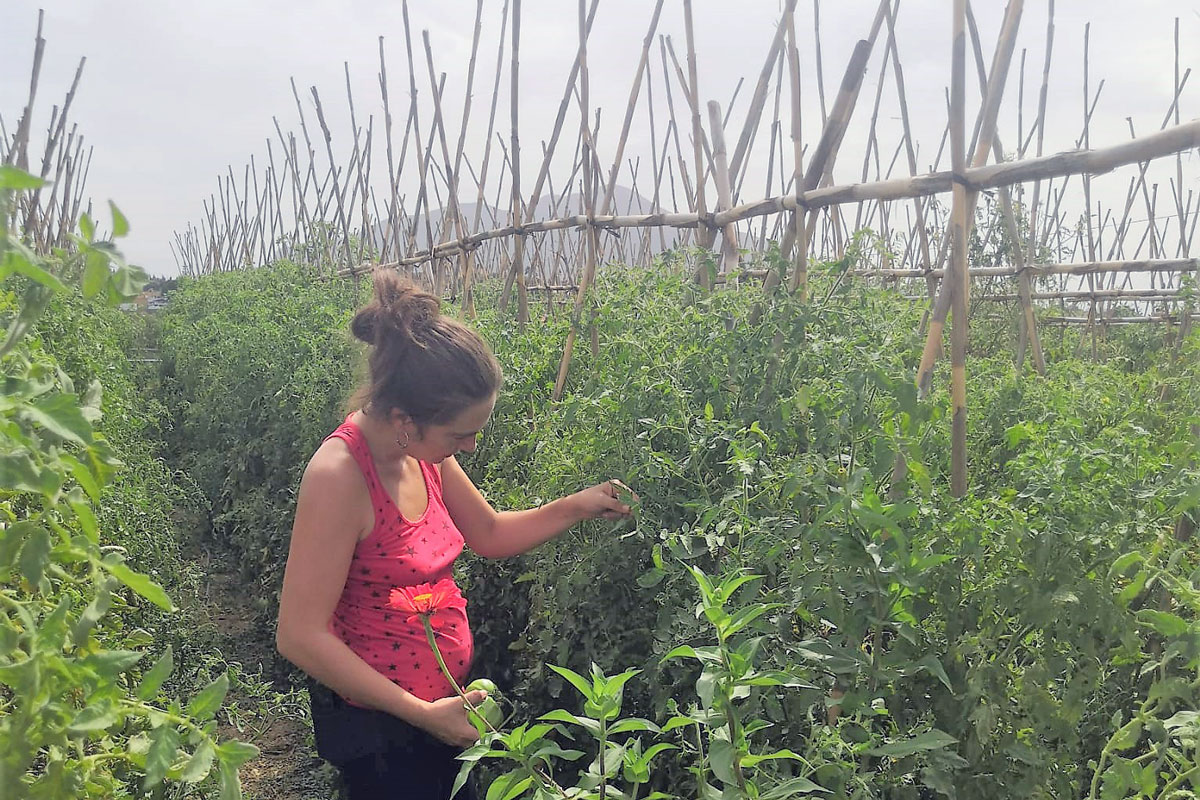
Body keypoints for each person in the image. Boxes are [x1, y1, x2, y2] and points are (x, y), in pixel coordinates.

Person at [275, 271, 635, 800]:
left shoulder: (423, 454)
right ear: (405, 419)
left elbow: (488, 532)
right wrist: (421, 714)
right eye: (460, 434)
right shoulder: (340, 476)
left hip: (442, 709)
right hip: (382, 733)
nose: (469, 447)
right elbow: (299, 634)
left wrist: (574, 506)